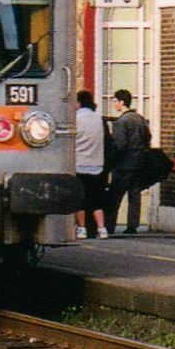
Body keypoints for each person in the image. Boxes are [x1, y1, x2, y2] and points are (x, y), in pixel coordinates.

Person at [105, 89, 150, 235]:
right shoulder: (140, 119)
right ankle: (133, 225)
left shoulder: (121, 122)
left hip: (123, 164)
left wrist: (112, 161)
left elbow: (120, 145)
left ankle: (109, 224)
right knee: (134, 195)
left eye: (115, 101)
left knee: (114, 196)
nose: (114, 104)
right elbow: (148, 137)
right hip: (139, 162)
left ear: (122, 102)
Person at [73, 90, 109, 239]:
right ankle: (102, 229)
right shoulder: (99, 119)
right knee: (96, 201)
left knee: (80, 200)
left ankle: (82, 229)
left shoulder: (75, 119)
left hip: (79, 164)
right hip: (97, 165)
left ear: (79, 103)